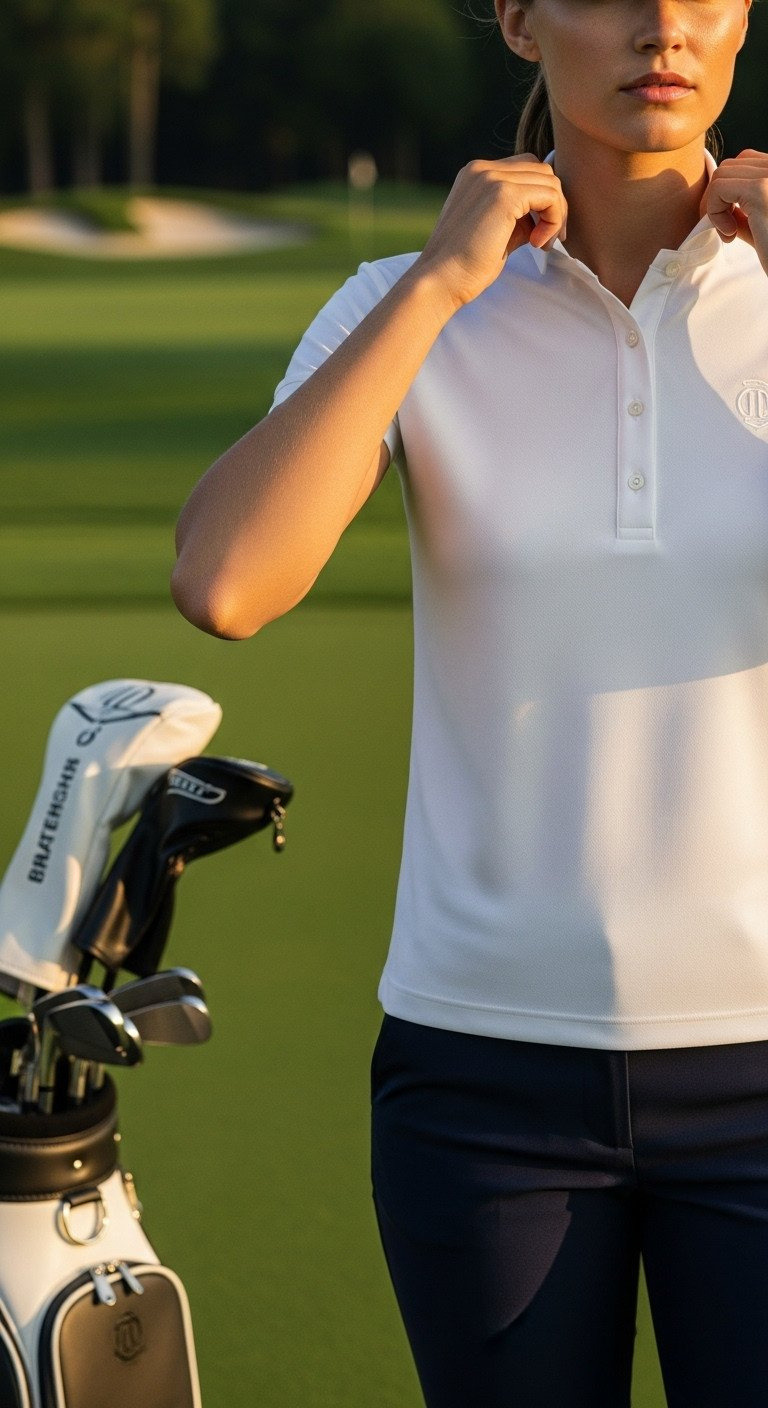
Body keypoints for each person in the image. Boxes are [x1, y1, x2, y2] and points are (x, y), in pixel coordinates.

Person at [171, 0, 768, 1400]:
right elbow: (229, 581)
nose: (663, 26)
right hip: (485, 1082)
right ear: (516, 18)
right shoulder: (409, 302)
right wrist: (440, 284)